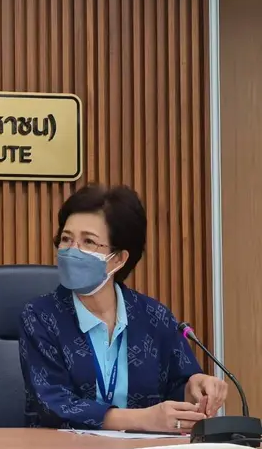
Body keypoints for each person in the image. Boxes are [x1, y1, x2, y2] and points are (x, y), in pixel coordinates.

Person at [18, 184, 227, 432]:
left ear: (118, 258)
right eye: (66, 239)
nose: (72, 251)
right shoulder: (40, 316)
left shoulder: (154, 317)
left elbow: (177, 386)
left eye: (88, 241)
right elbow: (52, 404)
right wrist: (143, 419)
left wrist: (194, 387)